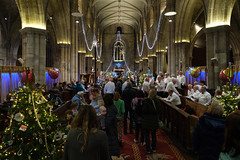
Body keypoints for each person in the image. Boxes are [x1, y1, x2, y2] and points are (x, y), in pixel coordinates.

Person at [142, 89, 161, 154]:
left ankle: (148, 149)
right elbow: (159, 110)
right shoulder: (157, 101)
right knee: (153, 135)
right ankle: (154, 148)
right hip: (154, 120)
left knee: (147, 135)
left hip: (147, 120)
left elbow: (143, 111)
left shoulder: (146, 101)